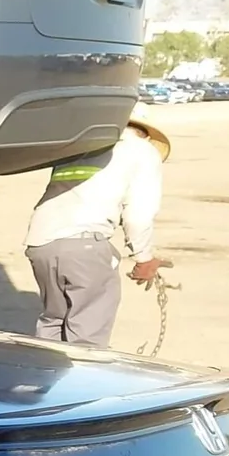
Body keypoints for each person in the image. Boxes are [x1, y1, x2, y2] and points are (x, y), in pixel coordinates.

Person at [24, 112, 172, 347]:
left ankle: (44, 367)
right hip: (84, 246)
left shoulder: (79, 146)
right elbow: (138, 214)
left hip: (40, 243)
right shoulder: (141, 150)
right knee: (87, 335)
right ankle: (81, 370)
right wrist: (144, 258)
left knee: (54, 322)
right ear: (145, 134)